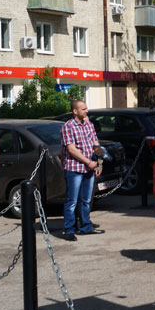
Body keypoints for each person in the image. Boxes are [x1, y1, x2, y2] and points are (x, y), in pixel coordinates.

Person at [60, 100, 106, 241]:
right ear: (75, 111)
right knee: (72, 200)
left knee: (86, 199)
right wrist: (88, 162)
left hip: (90, 168)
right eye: (83, 109)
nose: (86, 111)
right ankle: (69, 229)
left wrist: (98, 163)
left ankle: (86, 226)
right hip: (75, 168)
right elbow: (71, 149)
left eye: (86, 108)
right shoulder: (68, 126)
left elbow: (95, 144)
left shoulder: (89, 125)